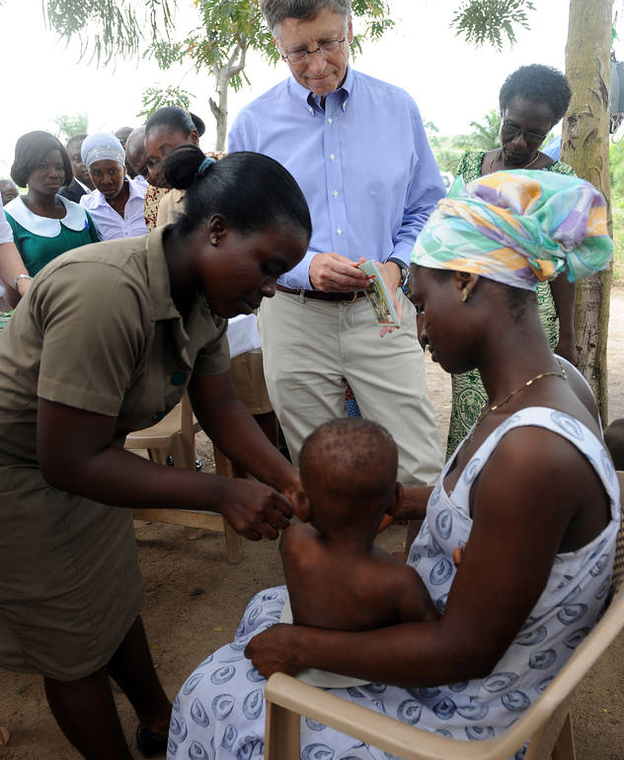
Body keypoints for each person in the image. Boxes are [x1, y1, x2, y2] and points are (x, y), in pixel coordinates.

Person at [169, 170, 618, 760]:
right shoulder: (559, 384)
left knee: (212, 691)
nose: (420, 330)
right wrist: (402, 500)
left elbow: (464, 652)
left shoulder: (533, 455)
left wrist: (303, 648)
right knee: (262, 614)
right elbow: (499, 518)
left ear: (464, 281)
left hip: (462, 708)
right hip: (462, 647)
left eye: (422, 303)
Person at [0, 144, 311, 760]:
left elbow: (219, 405)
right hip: (20, 476)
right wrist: (221, 493)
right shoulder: (105, 292)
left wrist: (288, 479)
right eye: (268, 267)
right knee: (72, 647)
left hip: (93, 462)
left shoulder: (207, 293)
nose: (272, 289)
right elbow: (66, 460)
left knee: (112, 600)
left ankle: (159, 722)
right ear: (217, 231)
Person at [228, 0, 445, 485]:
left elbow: (426, 207)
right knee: (319, 466)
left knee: (416, 463)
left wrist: (397, 267)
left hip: (381, 307)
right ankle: (338, 568)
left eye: (328, 42)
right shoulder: (254, 124)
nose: (317, 63)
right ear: (278, 45)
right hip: (293, 314)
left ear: (350, 28)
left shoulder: (399, 109)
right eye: (298, 52)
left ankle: (419, 568)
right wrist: (303, 266)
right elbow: (239, 230)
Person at [448, 64, 577, 456]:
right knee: (472, 419)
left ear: (551, 127)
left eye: (535, 134)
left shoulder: (561, 180)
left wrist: (568, 339)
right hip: (472, 317)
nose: (520, 142)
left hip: (532, 325)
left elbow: (564, 267)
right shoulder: (470, 167)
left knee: (525, 421)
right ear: (501, 110)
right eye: (512, 127)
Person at [146, 106, 279, 449]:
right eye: (152, 160)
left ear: (193, 139)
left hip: (241, 321)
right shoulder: (165, 202)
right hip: (199, 321)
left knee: (258, 405)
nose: (161, 165)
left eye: (167, 151)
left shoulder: (231, 185)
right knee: (217, 404)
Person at [281, 418, 439, 641]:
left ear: (301, 504)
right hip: (364, 672)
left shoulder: (294, 541)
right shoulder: (401, 581)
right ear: (395, 501)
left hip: (307, 664)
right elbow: (433, 635)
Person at [4, 131, 99, 276]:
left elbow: (99, 262)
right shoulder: (10, 219)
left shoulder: (80, 212)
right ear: (25, 168)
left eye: (59, 167)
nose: (54, 173)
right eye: (43, 166)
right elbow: (13, 288)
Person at [79, 132, 148, 241]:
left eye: (112, 171)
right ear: (89, 174)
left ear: (124, 169)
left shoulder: (147, 192)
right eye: (97, 173)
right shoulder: (87, 207)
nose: (106, 181)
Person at [58, 133, 95, 203]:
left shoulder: (111, 187)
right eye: (78, 159)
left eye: (89, 156)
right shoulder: (63, 198)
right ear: (69, 163)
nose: (85, 163)